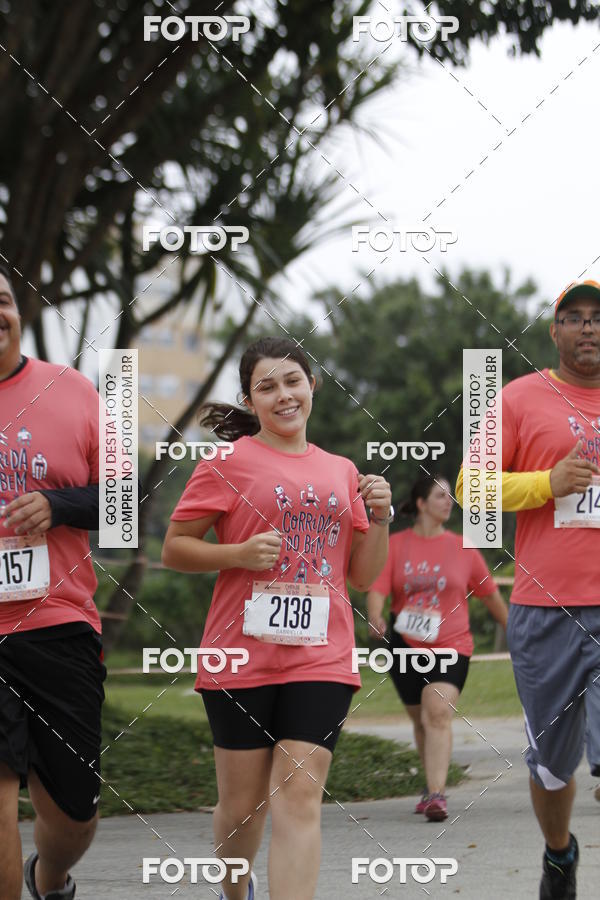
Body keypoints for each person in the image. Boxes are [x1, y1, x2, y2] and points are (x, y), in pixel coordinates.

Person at [161, 335, 392, 900]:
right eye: (267, 386)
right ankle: (233, 892)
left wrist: (381, 519)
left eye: (292, 381)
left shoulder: (342, 470)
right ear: (250, 398)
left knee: (300, 791)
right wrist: (234, 555)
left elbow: (362, 576)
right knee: (243, 807)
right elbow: (174, 547)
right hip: (240, 655)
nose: (283, 395)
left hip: (322, 657)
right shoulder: (226, 463)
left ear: (311, 385)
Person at [456, 279, 600, 899]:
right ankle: (559, 854)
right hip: (547, 609)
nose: (589, 328)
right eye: (575, 318)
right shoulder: (517, 399)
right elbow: (470, 489)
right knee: (551, 766)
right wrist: (546, 482)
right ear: (555, 331)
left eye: (598, 318)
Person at [0, 263, 105, 900]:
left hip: (57, 621)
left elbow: (124, 506)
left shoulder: (71, 391)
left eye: (3, 300)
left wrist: (59, 506)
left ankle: (53, 874)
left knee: (73, 814)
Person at [366, 473, 507, 822]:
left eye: (450, 496)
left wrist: (517, 631)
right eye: (441, 495)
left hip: (452, 643)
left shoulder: (464, 547)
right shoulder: (396, 545)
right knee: (421, 720)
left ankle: (438, 795)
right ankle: (430, 787)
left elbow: (491, 596)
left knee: (438, 713)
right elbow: (379, 587)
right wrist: (374, 616)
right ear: (421, 503)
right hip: (405, 644)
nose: (449, 501)